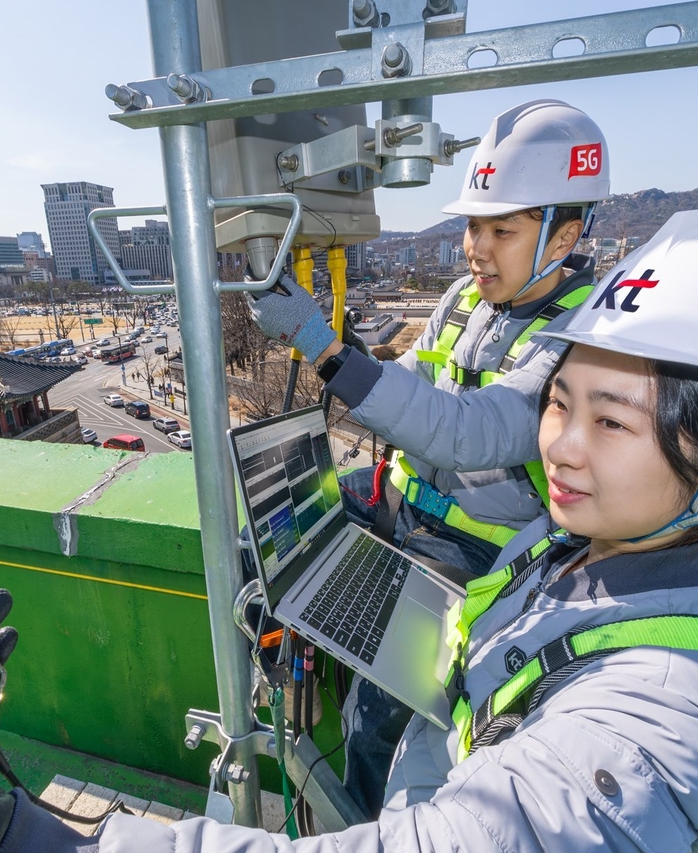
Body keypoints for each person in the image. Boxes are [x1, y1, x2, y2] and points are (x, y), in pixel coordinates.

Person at [0, 208, 698, 852]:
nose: (558, 442)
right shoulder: (595, 550)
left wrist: (5, 836)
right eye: (562, 401)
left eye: (610, 420)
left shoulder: (672, 730)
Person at [248, 98, 612, 812]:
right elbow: (408, 382)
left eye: (501, 229)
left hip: (473, 557)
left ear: (564, 235)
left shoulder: (583, 336)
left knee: (375, 719)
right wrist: (340, 351)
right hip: (399, 499)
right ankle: (280, 657)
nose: (475, 246)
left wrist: (322, 347)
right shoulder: (463, 300)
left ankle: (354, 822)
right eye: (474, 224)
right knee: (262, 532)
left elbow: (471, 431)